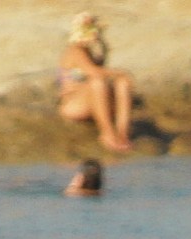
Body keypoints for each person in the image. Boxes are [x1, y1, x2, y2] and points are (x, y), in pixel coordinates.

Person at [57, 14, 136, 153]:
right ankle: (107, 133)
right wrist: (119, 72)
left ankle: (122, 133)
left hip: (94, 100)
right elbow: (93, 72)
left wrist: (119, 75)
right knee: (97, 82)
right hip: (75, 105)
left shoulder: (91, 52)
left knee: (121, 83)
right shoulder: (75, 50)